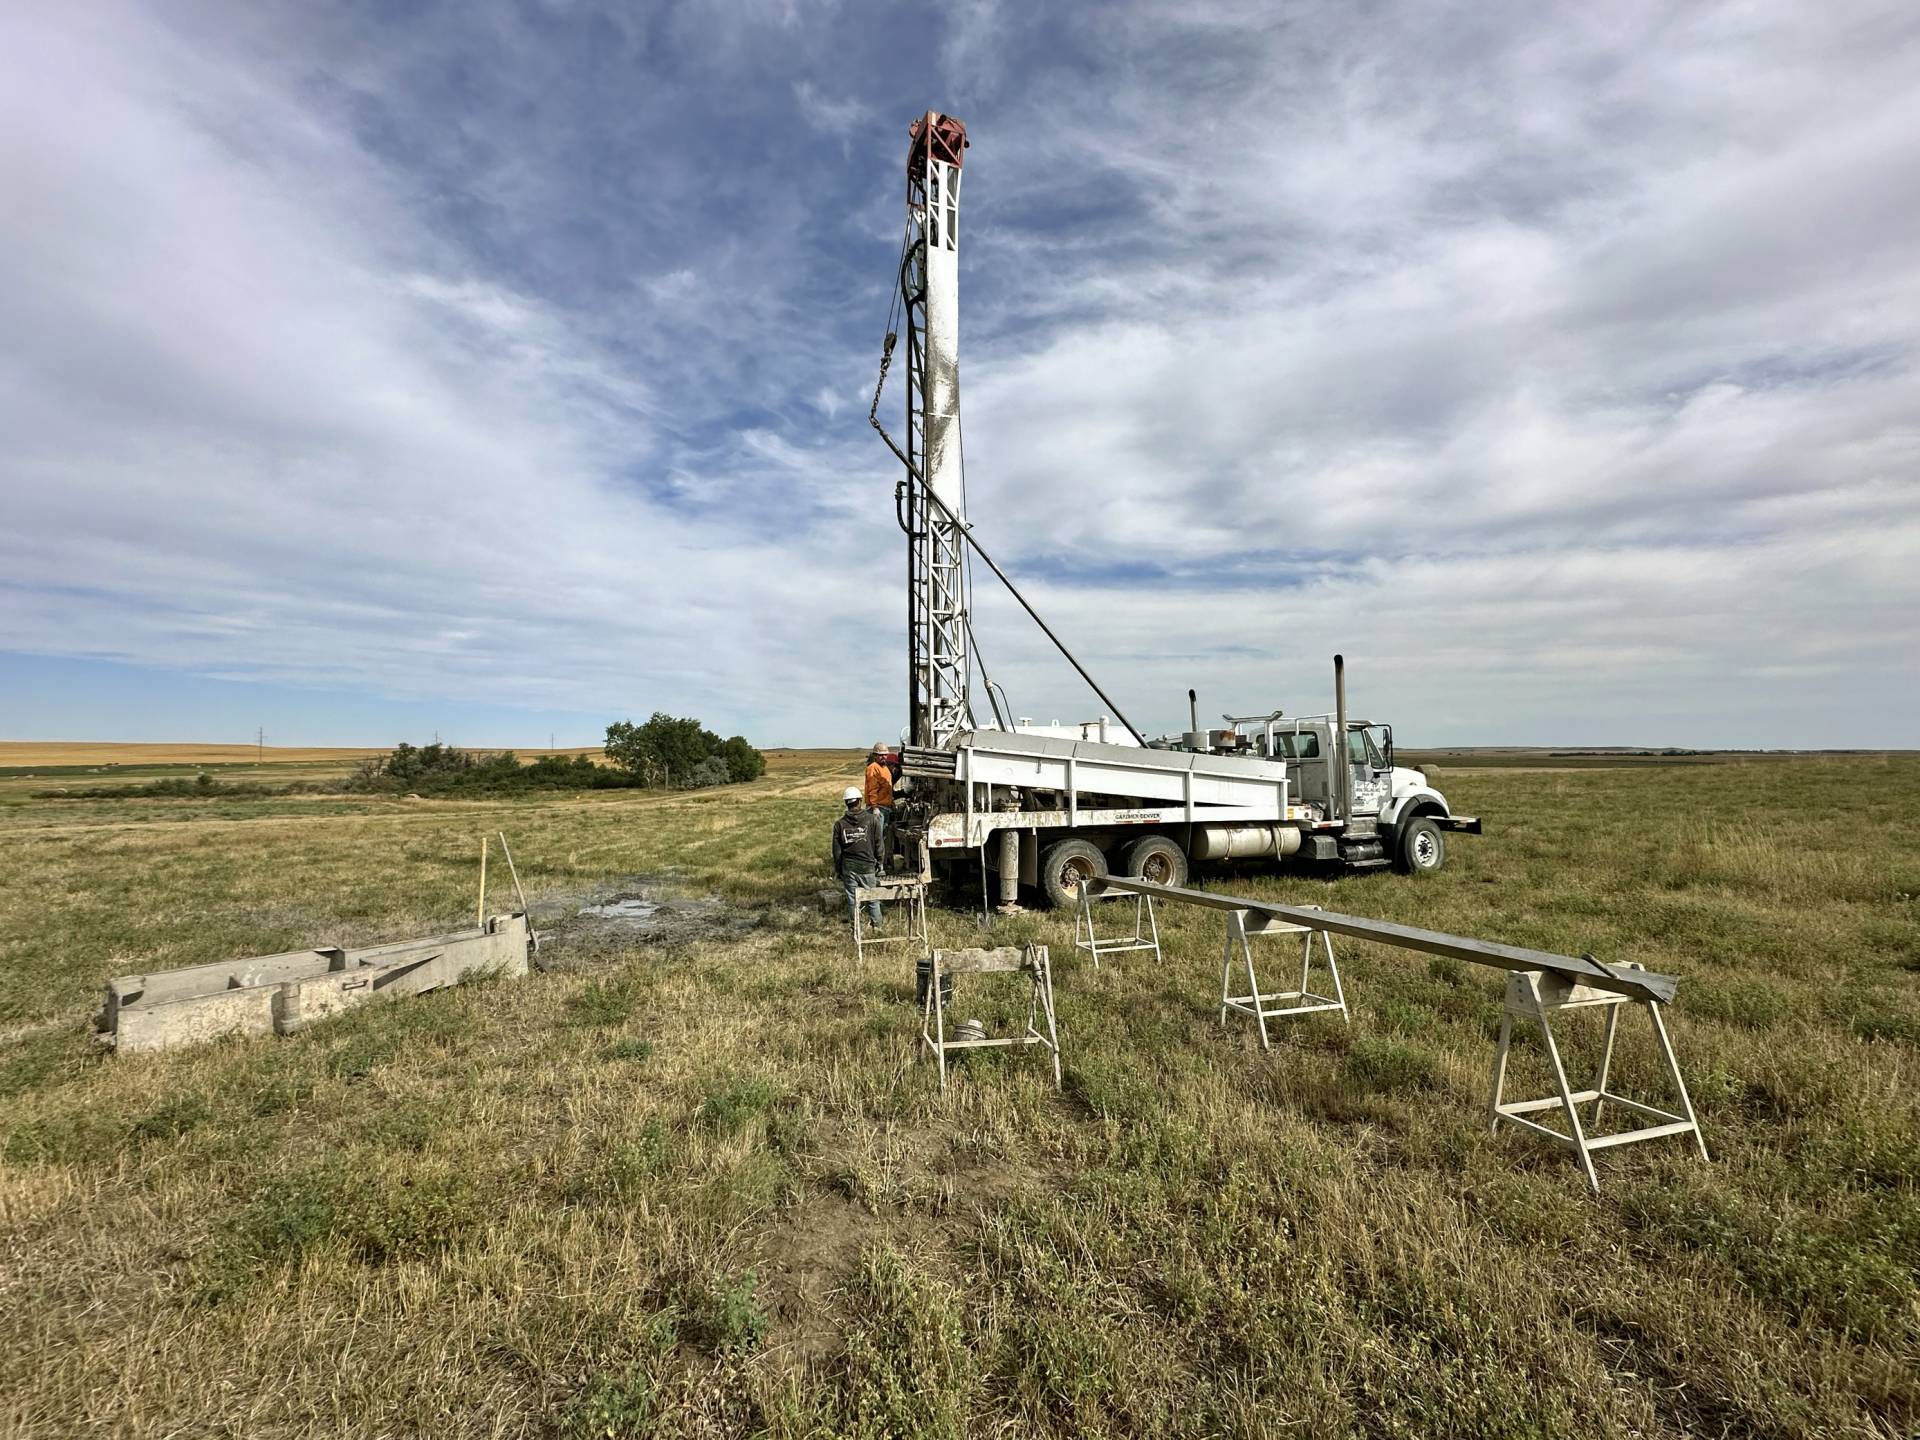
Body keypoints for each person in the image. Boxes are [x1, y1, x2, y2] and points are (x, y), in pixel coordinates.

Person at [832, 786, 884, 931]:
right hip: (867, 866)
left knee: (853, 900)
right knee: (872, 897)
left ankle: (856, 928)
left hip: (849, 867)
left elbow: (837, 851)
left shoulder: (839, 824)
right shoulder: (873, 820)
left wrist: (838, 869)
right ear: (860, 801)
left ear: (846, 803)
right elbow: (879, 843)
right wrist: (880, 862)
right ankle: (877, 927)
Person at [864, 742, 895, 868]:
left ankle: (882, 863)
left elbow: (888, 789)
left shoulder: (886, 769)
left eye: (885, 755)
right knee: (876, 838)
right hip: (877, 809)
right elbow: (872, 789)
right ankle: (875, 865)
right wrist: (875, 807)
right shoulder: (873, 768)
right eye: (881, 755)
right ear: (875, 755)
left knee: (884, 837)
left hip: (885, 808)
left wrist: (891, 803)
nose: (884, 757)